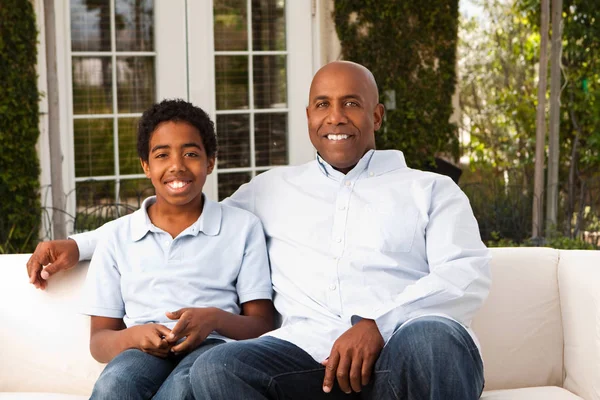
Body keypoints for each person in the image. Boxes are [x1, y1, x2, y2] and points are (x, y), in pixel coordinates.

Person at [27, 61, 491, 400]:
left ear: (377, 116)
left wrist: (377, 324)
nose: (336, 117)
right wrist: (78, 244)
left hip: (400, 356)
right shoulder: (272, 189)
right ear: (308, 116)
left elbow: (464, 276)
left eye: (352, 104)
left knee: (435, 336)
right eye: (323, 105)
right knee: (215, 367)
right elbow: (184, 208)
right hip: (305, 364)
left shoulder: (429, 190)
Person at [78, 99, 274, 400]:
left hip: (213, 348)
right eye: (162, 155)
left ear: (210, 161)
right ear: (146, 165)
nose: (177, 166)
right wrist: (134, 336)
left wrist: (213, 319)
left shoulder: (243, 228)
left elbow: (261, 324)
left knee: (184, 388)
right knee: (113, 385)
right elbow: (99, 342)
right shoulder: (117, 236)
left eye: (191, 153)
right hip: (140, 351)